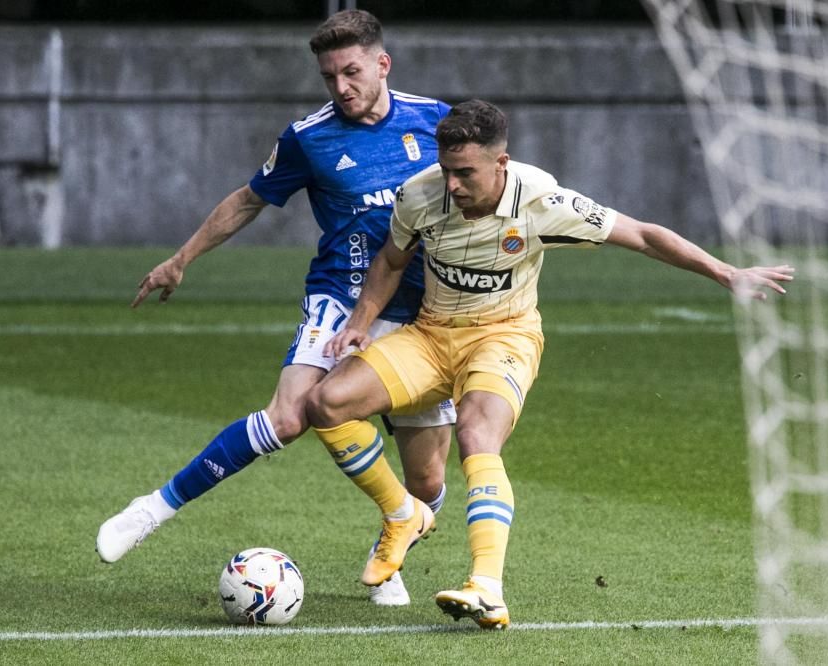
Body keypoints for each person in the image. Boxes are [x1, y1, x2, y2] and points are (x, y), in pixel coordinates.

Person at [305, 99, 795, 629]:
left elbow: (644, 235)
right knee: (326, 403)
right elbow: (391, 261)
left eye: (465, 172)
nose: (452, 185)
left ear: (501, 163)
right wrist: (360, 320)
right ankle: (404, 515)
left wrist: (725, 273)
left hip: (504, 336)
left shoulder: (542, 199)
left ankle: (487, 587)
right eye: (447, 170)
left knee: (477, 434)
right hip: (430, 335)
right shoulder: (420, 193)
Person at [95, 9, 456, 608]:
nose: (341, 87)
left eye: (352, 71)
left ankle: (389, 547)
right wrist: (182, 258)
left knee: (428, 482)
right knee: (290, 416)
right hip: (341, 296)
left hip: (424, 310)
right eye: (329, 76)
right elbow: (247, 201)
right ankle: (151, 510)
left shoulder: (435, 120)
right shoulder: (309, 137)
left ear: (382, 64)